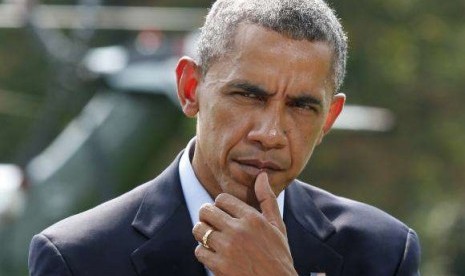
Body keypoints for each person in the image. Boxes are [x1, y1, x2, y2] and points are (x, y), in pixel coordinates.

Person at [28, 0, 421, 275]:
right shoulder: (78, 258)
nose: (270, 134)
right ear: (190, 89)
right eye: (249, 95)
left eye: (301, 106)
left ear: (329, 119)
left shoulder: (382, 253)